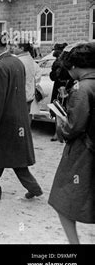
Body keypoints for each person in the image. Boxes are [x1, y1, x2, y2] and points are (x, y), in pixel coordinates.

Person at [0, 33, 43, 200]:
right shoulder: (16, 62)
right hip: (17, 116)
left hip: (3, 120)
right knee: (15, 157)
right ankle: (33, 187)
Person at [48, 43, 95, 244]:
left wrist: (60, 122)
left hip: (83, 152)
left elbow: (73, 128)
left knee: (63, 199)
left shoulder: (82, 88)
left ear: (74, 67)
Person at [10, 42, 41, 115]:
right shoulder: (29, 59)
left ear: (22, 49)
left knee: (20, 120)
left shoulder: (20, 61)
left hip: (21, 95)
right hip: (29, 94)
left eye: (15, 46)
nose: (13, 48)